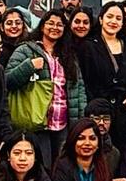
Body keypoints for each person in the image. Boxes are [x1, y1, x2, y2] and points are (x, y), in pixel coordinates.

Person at [6, 9, 88, 165]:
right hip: (37, 122)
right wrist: (29, 66)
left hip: (63, 122)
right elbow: (8, 81)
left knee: (61, 167)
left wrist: (79, 121)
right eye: (51, 23)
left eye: (60, 25)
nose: (55, 27)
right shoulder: (25, 50)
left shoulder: (68, 55)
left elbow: (79, 89)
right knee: (41, 167)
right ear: (42, 27)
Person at [80, 1, 126, 148]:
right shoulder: (88, 46)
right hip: (98, 110)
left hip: (123, 111)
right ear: (101, 19)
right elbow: (85, 80)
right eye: (110, 17)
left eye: (118, 18)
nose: (113, 21)